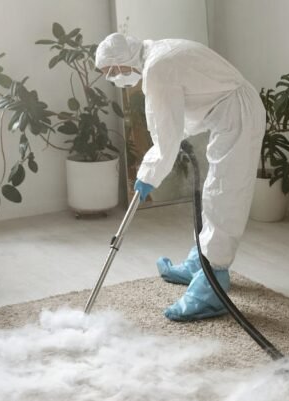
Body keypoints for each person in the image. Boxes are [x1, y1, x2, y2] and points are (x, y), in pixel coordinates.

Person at [95, 33, 265, 321]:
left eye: (112, 71)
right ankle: (200, 262)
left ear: (123, 62)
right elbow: (177, 115)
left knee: (224, 195)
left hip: (238, 114)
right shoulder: (157, 55)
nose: (113, 78)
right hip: (228, 112)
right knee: (215, 191)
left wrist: (149, 174)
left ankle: (213, 284)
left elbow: (165, 138)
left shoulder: (157, 69)